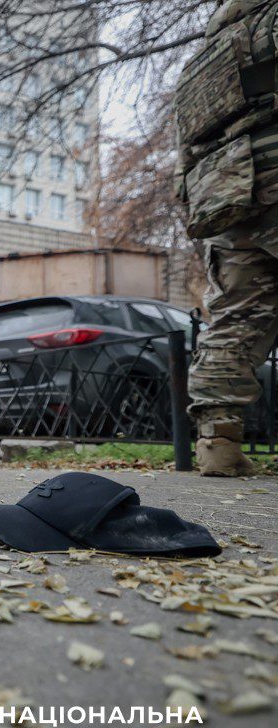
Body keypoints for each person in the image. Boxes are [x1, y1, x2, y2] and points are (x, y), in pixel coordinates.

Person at [175, 0, 278, 477]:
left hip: (225, 193)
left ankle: (218, 445)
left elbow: (188, 146)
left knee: (235, 318)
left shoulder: (201, 59)